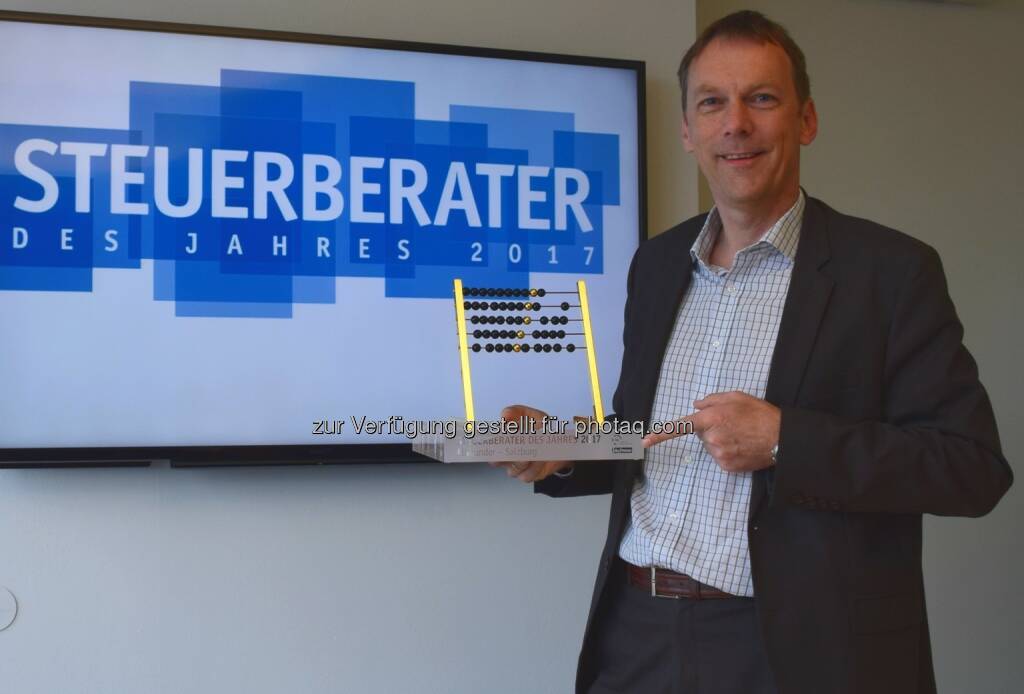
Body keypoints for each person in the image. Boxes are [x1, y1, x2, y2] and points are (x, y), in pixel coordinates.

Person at [494, 10, 1013, 694]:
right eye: (712, 103)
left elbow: (971, 469)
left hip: (794, 650)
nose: (735, 124)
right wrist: (568, 448)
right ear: (688, 130)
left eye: (761, 99)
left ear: (806, 120)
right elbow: (649, 436)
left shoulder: (890, 273)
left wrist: (783, 440)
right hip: (636, 633)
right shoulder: (656, 265)